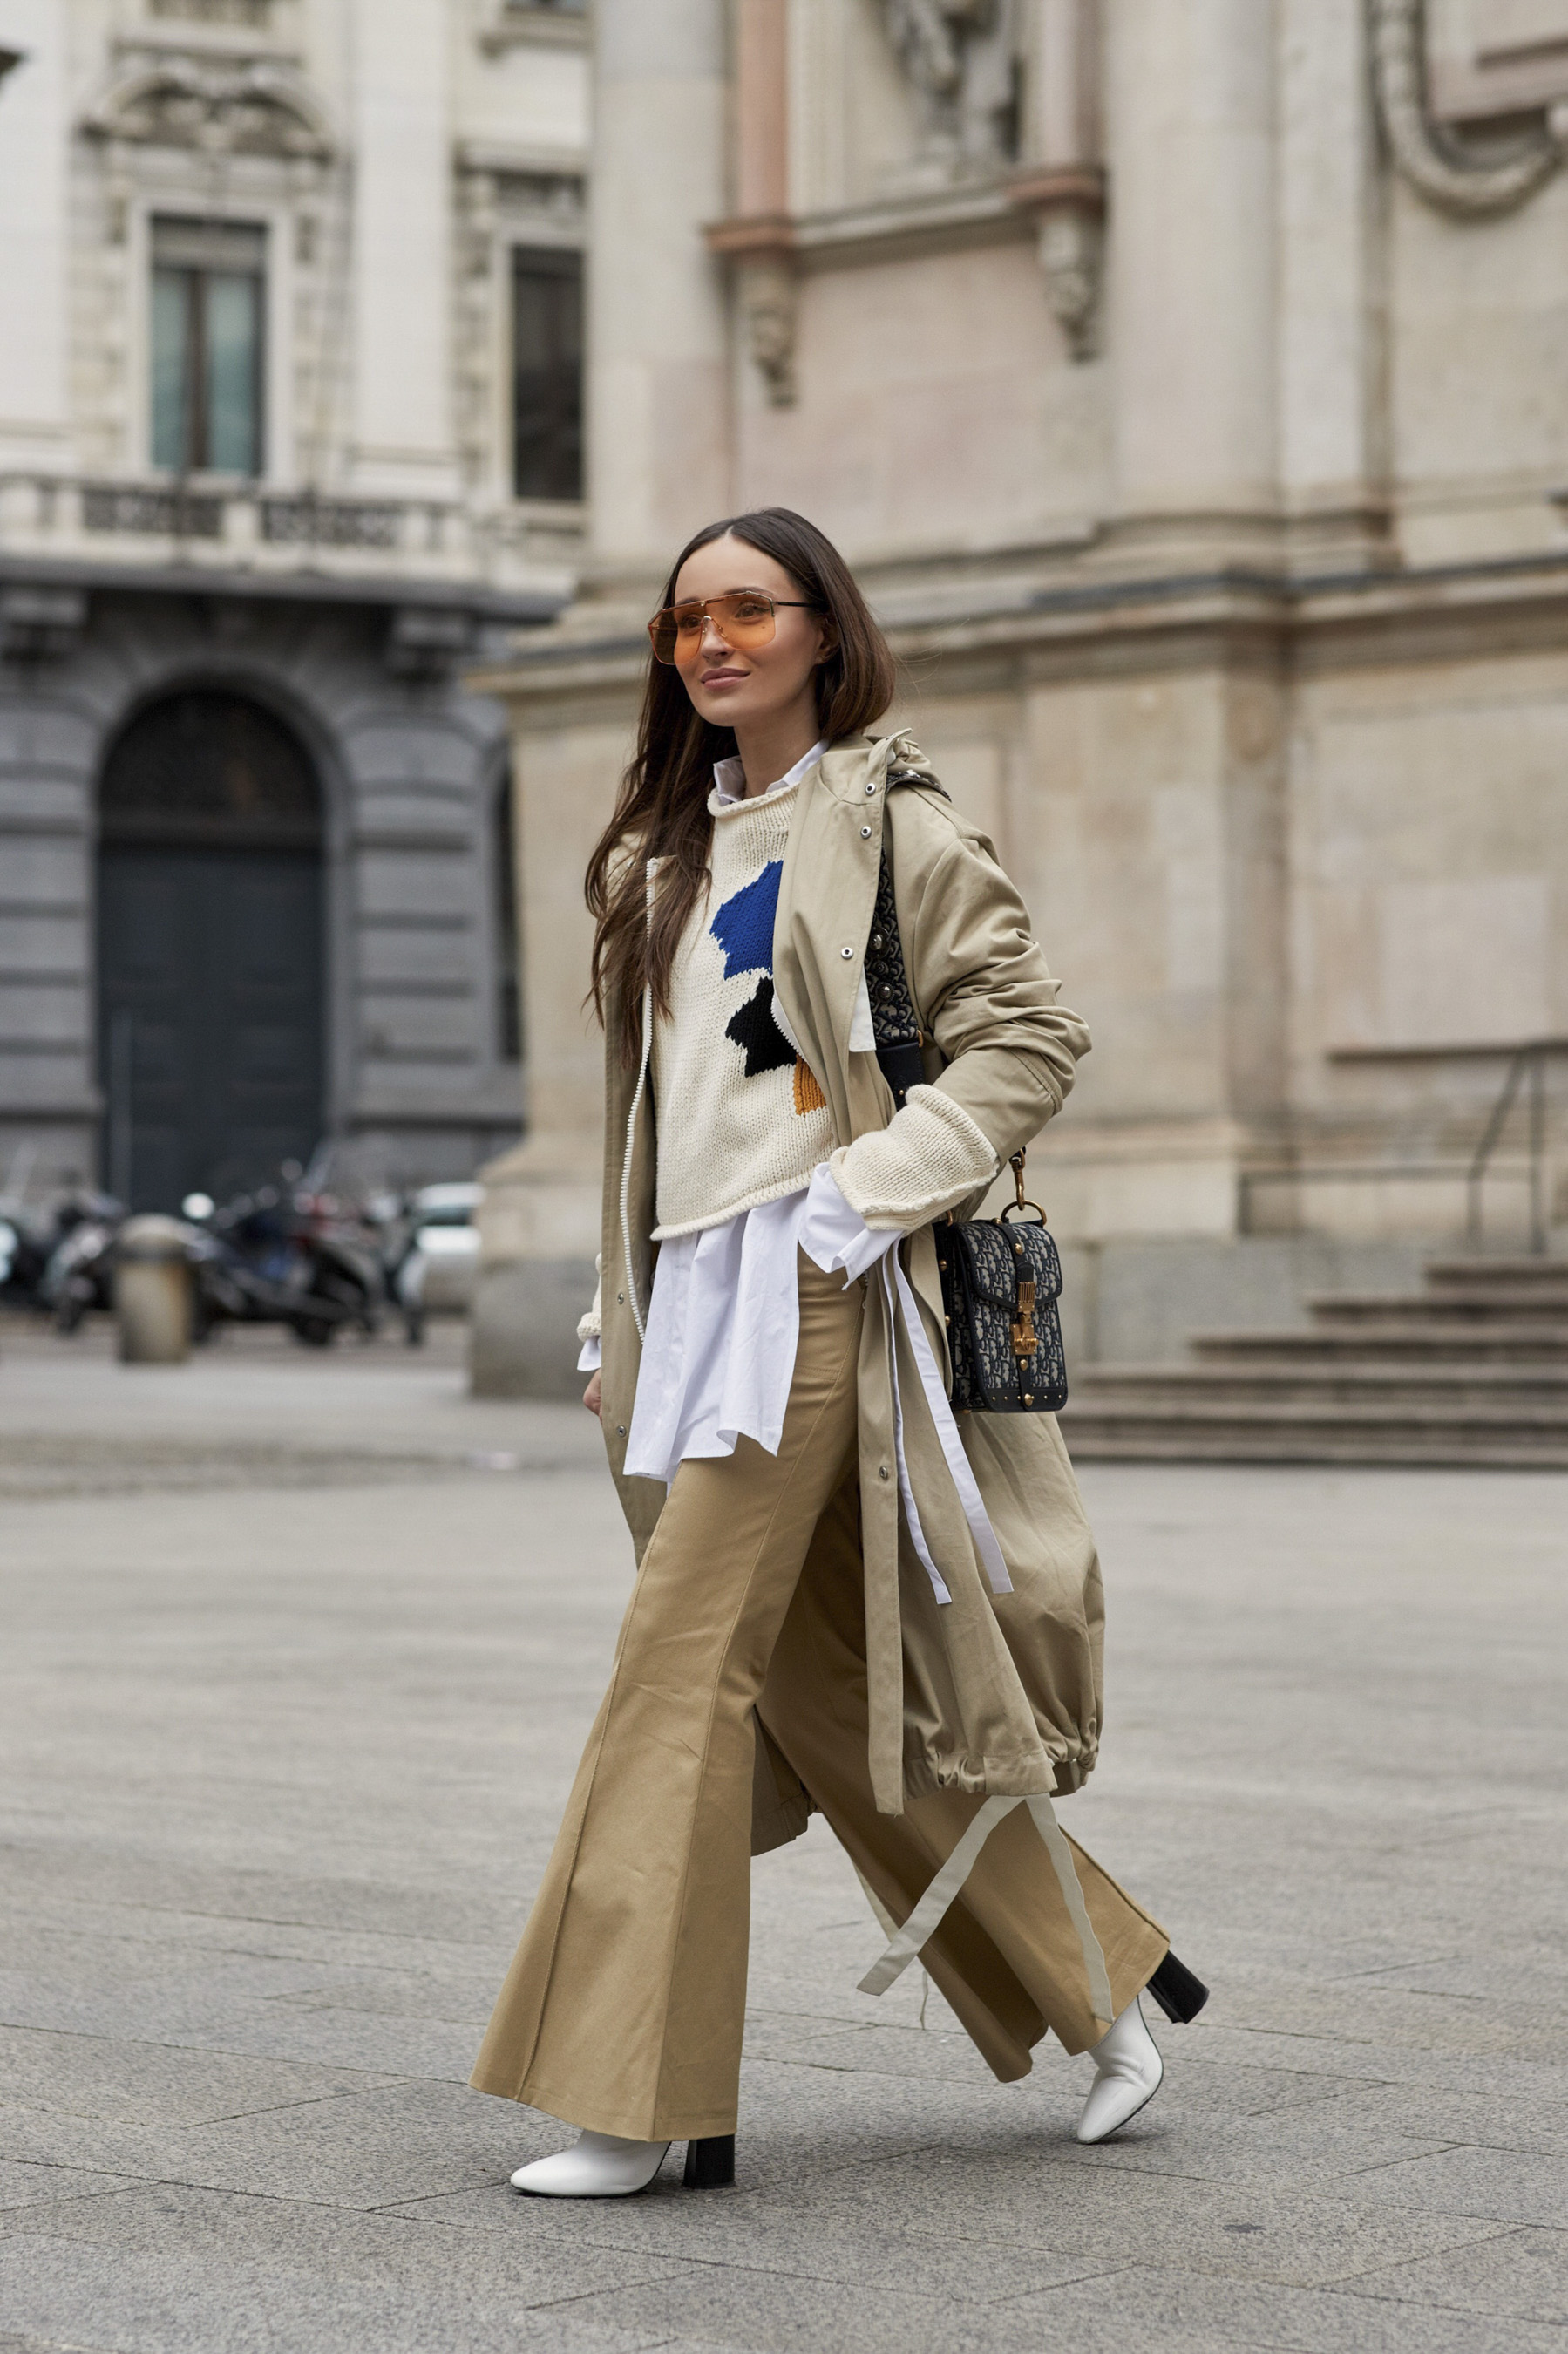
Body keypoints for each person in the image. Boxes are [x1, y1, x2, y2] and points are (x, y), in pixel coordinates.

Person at [471, 506, 1205, 2199]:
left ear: (824, 629)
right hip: (690, 1305)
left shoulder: (896, 828)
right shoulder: (660, 858)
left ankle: (637, 2104)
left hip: (820, 1292)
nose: (712, 642)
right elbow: (666, 1125)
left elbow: (1028, 1042)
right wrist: (615, 1304)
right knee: (814, 1681)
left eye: (748, 610)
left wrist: (862, 1199)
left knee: (673, 1678)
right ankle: (1106, 1991)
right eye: (683, 624)